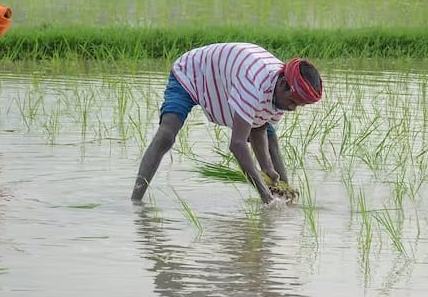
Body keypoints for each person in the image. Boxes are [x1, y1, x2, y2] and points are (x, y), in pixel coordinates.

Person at [131, 42, 323, 204]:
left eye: (299, 105)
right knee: (166, 135)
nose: (293, 108)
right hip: (191, 73)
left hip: (226, 81)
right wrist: (263, 193)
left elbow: (259, 127)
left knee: (271, 140)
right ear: (282, 84)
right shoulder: (254, 84)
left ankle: (285, 196)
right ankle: (135, 201)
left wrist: (266, 168)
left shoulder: (281, 91)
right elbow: (237, 144)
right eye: (293, 102)